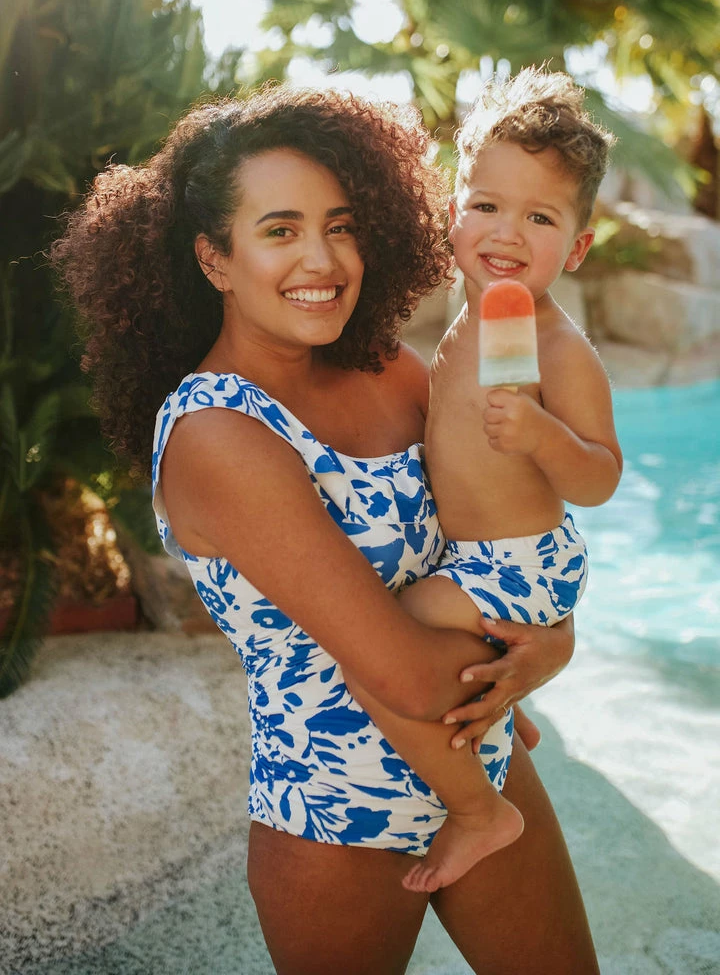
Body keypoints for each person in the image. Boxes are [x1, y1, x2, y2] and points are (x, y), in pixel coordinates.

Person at [51, 85, 600, 974]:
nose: (323, 259)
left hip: (480, 759)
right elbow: (402, 671)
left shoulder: (390, 368)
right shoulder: (217, 435)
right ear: (213, 259)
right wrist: (526, 655)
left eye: (340, 225)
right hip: (341, 816)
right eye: (279, 231)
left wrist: (550, 644)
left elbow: (506, 538)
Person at [349, 68, 623, 896]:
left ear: (574, 247)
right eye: (487, 205)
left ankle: (479, 811)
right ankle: (496, 714)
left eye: (540, 217)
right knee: (417, 658)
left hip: (522, 561)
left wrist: (542, 434)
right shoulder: (465, 328)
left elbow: (603, 477)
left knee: (382, 652)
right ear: (453, 212)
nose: (507, 232)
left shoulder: (558, 346)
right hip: (482, 561)